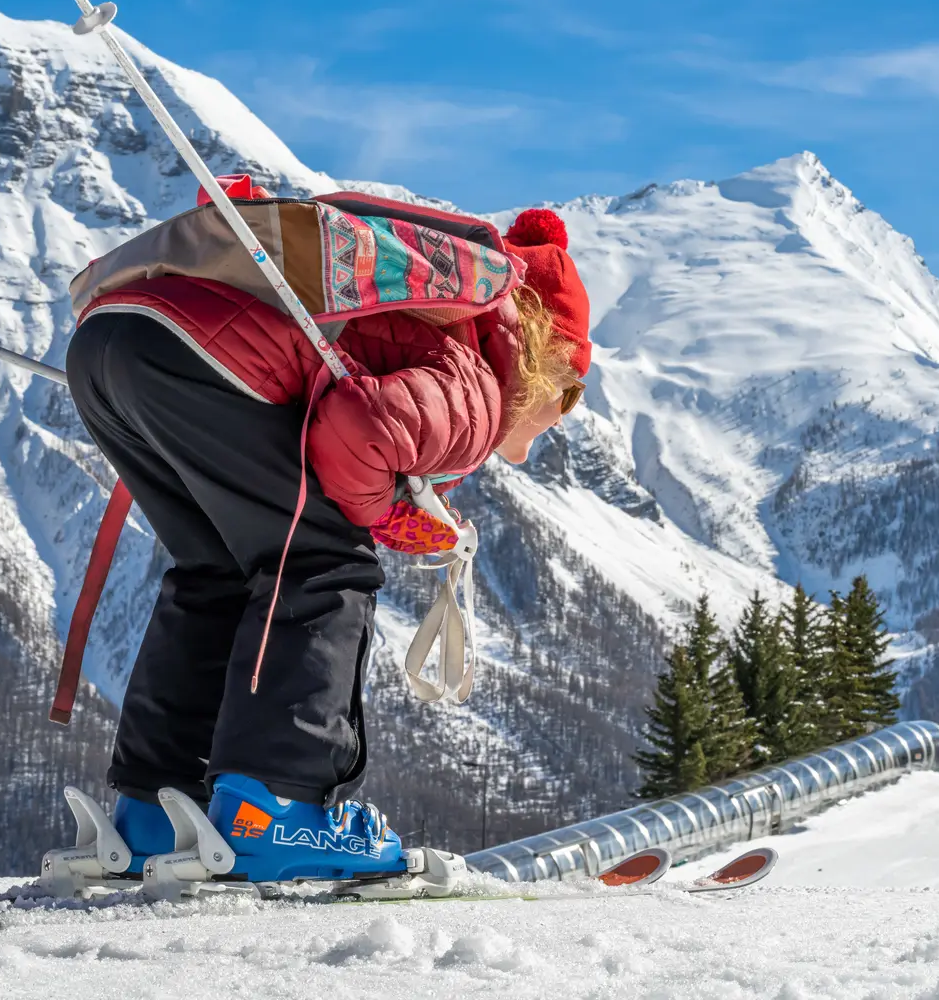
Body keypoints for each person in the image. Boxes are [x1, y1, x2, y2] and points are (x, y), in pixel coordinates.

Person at [64, 202, 591, 883]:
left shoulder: (431, 330)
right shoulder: (481, 384)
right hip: (198, 353)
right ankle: (274, 812)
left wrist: (386, 507)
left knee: (219, 571)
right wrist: (388, 516)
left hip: (114, 341)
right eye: (568, 399)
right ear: (547, 365)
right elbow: (362, 430)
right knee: (323, 563)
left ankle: (155, 815)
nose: (551, 425)